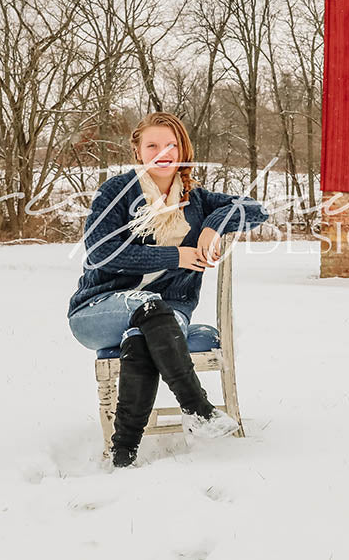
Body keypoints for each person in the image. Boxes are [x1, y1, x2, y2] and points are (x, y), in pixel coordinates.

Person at [67, 111, 270, 468]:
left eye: (172, 144)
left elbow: (256, 209)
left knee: (144, 333)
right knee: (148, 308)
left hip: (168, 310)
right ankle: (198, 408)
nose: (164, 152)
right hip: (99, 310)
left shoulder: (197, 199)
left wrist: (212, 224)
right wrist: (176, 255)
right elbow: (101, 253)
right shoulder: (116, 193)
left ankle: (123, 451)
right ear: (138, 151)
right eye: (153, 145)